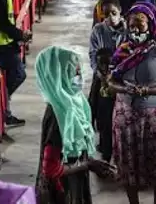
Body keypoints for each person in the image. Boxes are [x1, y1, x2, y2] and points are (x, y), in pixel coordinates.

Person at [108, 2, 156, 204]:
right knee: (128, 156)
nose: (135, 30)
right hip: (126, 109)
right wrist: (125, 89)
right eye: (132, 25)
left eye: (140, 25)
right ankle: (134, 200)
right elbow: (111, 79)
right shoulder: (123, 47)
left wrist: (149, 91)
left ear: (151, 24)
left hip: (154, 112)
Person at [35, 45, 115, 204]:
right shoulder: (59, 115)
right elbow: (51, 169)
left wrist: (88, 161)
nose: (80, 77)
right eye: (75, 72)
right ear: (58, 76)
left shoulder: (73, 105)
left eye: (80, 71)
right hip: (62, 192)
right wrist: (88, 164)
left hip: (74, 185)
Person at [88, 0, 127, 161]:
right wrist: (104, 76)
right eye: (106, 15)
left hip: (124, 79)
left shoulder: (129, 30)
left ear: (120, 12)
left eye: (114, 13)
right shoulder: (98, 31)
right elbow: (93, 55)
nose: (111, 18)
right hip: (103, 80)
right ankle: (106, 151)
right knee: (103, 116)